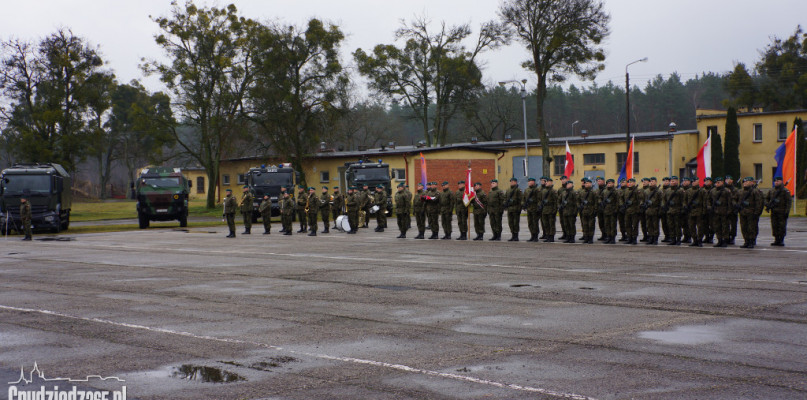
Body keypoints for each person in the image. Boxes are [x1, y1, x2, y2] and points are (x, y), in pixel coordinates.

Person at [766, 176, 792, 246]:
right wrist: (768, 205)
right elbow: (766, 199)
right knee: (774, 225)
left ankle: (781, 240)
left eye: (778, 181)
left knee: (782, 226)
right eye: (775, 181)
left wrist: (787, 211)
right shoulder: (771, 191)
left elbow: (788, 202)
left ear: (781, 181)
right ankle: (776, 239)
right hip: (774, 211)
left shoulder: (785, 191)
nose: (776, 182)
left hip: (782, 211)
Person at [738, 177, 763, 248]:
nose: (745, 183)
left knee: (751, 228)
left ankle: (752, 241)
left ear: (752, 182)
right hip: (743, 212)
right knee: (744, 227)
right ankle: (746, 241)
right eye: (744, 182)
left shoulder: (755, 191)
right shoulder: (740, 191)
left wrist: (757, 213)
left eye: (747, 182)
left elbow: (759, 203)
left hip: (752, 212)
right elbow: (735, 199)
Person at [685, 178, 708, 247]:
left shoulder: (702, 191)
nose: (693, 182)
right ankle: (694, 240)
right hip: (691, 211)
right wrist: (685, 207)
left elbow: (704, 202)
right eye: (692, 181)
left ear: (698, 182)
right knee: (691, 226)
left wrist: (704, 211)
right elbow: (685, 200)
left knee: (700, 227)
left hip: (699, 211)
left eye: (695, 181)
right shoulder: (688, 191)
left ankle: (700, 240)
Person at [621, 178, 644, 244]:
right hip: (627, 210)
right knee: (628, 225)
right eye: (629, 182)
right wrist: (623, 204)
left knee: (635, 225)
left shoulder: (637, 190)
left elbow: (641, 199)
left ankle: (634, 238)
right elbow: (622, 198)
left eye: (631, 182)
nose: (630, 183)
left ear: (634, 183)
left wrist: (634, 202)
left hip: (635, 210)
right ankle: (629, 238)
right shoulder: (626, 190)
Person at [578, 178, 597, 244]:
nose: (587, 184)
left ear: (591, 184)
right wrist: (579, 206)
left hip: (591, 210)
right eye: (586, 183)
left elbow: (596, 202)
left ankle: (590, 238)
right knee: (585, 225)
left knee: (591, 225)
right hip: (584, 210)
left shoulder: (594, 192)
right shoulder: (582, 192)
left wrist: (595, 210)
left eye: (588, 183)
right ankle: (586, 238)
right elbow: (578, 200)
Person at [643, 177, 662, 245]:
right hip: (648, 210)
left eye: (653, 181)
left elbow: (660, 202)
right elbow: (644, 200)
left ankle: (655, 239)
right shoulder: (646, 191)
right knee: (649, 225)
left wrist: (659, 211)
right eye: (650, 181)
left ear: (656, 182)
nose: (651, 183)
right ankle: (650, 238)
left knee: (655, 225)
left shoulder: (658, 191)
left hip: (655, 210)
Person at [600, 179, 618, 243]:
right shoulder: (604, 191)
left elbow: (617, 201)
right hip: (606, 210)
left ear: (613, 183)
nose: (609, 184)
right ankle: (608, 237)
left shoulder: (615, 191)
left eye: (610, 183)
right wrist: (601, 203)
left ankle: (613, 238)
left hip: (612, 210)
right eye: (608, 183)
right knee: (607, 225)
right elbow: (600, 198)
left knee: (612, 225)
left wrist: (616, 210)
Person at [523, 178, 541, 242]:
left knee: (535, 223)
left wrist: (537, 205)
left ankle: (535, 236)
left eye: (530, 181)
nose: (529, 183)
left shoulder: (536, 190)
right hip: (529, 208)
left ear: (533, 182)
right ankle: (532, 235)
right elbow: (524, 198)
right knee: (530, 223)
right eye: (528, 182)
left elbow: (539, 199)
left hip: (535, 208)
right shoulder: (526, 190)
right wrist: (524, 204)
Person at [540, 178, 558, 242]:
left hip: (551, 209)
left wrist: (554, 210)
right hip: (544, 210)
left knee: (551, 224)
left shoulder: (553, 191)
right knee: (546, 224)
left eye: (547, 182)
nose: (546, 183)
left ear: (551, 183)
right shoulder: (543, 191)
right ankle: (547, 236)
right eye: (546, 182)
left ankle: (551, 236)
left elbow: (556, 202)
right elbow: (540, 200)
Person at [725, 175, 739, 245]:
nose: (728, 180)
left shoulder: (735, 189)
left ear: (732, 181)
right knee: (725, 225)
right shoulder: (723, 189)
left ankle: (732, 237)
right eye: (727, 179)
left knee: (733, 225)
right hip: (725, 209)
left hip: (733, 209)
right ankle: (726, 237)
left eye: (729, 179)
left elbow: (736, 198)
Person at [679, 177, 692, 243]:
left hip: (688, 209)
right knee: (683, 224)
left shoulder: (691, 189)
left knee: (688, 224)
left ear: (689, 182)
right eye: (683, 181)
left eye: (686, 181)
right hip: (681, 209)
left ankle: (689, 237)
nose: (684, 182)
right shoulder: (680, 189)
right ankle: (685, 236)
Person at [595, 176, 606, 241]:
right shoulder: (597, 190)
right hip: (599, 209)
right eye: (598, 181)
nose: (598, 182)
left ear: (603, 181)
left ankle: (607, 235)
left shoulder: (606, 189)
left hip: (605, 209)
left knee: (606, 223)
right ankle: (603, 234)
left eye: (600, 181)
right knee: (601, 223)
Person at [660, 177, 671, 242]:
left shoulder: (670, 190)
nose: (665, 182)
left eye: (667, 181)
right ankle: (666, 236)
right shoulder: (661, 190)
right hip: (662, 209)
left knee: (669, 224)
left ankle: (671, 236)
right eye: (664, 181)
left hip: (669, 209)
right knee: (664, 224)